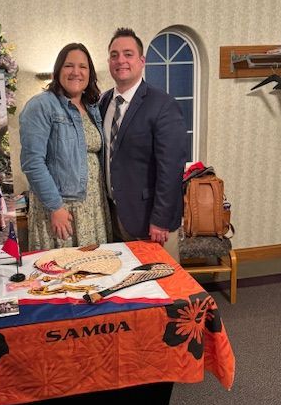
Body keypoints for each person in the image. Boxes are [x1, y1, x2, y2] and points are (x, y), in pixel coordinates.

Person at [101, 27, 187, 261]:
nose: (121, 60)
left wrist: (160, 219)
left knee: (161, 288)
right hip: (113, 215)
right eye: (114, 55)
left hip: (151, 221)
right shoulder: (104, 101)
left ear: (141, 61)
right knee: (128, 289)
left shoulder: (163, 105)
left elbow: (171, 168)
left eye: (128, 54)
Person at [19, 42, 111, 250]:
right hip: (63, 209)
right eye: (69, 65)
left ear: (90, 73)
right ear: (58, 69)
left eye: (83, 67)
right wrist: (56, 207)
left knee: (95, 275)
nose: (76, 72)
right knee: (62, 276)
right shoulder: (41, 105)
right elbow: (32, 163)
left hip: (93, 207)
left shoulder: (92, 107)